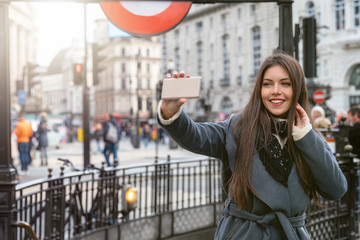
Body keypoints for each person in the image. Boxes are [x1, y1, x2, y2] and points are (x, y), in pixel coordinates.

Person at [158, 52, 347, 239]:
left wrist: (305, 137)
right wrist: (171, 113)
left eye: (285, 83)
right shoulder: (238, 127)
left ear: (297, 89)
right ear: (259, 90)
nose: (275, 91)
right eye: (267, 84)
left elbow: (336, 189)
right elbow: (196, 136)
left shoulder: (308, 135)